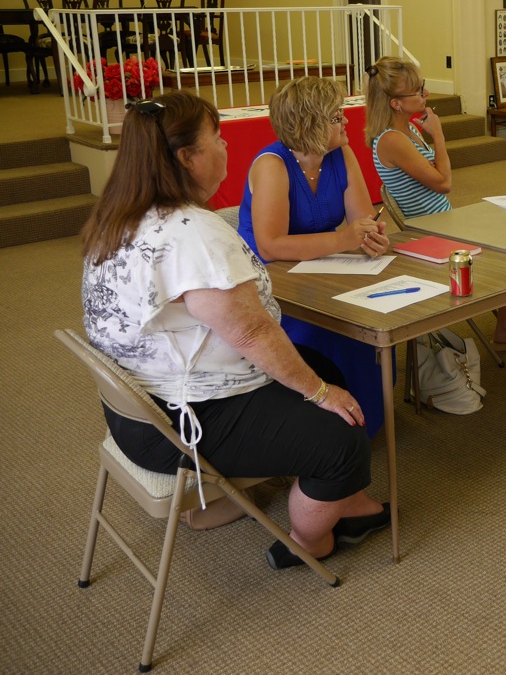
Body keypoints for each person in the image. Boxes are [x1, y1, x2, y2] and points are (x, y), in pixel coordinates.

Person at [80, 91, 388, 570]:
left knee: (323, 367)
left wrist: (318, 383)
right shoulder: (191, 233)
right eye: (217, 138)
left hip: (138, 407)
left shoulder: (119, 215)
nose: (226, 146)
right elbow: (250, 334)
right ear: (188, 157)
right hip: (179, 423)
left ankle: (346, 501)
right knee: (341, 439)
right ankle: (310, 542)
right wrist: (318, 392)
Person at [364, 57, 506, 344]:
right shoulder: (393, 140)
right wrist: (439, 135)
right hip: (430, 230)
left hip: (445, 220)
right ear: (396, 103)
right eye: (419, 90)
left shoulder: (409, 130)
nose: (426, 93)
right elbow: (444, 183)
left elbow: (437, 179)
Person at [237, 76, 391, 437]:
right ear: (309, 125)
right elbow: (271, 246)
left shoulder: (341, 153)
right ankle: (327, 427)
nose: (346, 122)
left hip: (320, 269)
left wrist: (371, 236)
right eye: (336, 118)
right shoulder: (272, 164)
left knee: (368, 317)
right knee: (330, 331)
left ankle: (365, 422)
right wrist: (345, 239)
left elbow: (362, 219)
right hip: (271, 282)